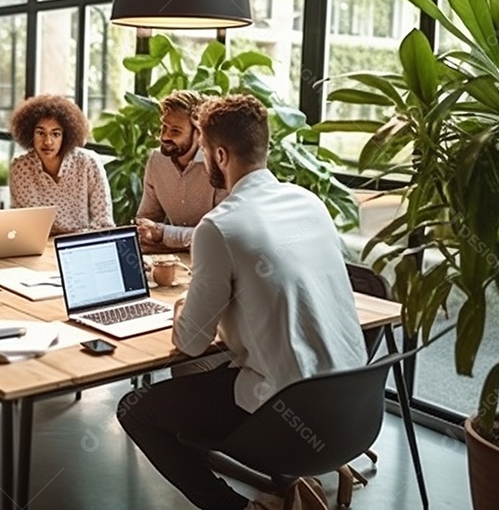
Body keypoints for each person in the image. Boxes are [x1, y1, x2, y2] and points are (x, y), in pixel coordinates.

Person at [117, 94, 367, 510]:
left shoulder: (219, 226)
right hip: (355, 405)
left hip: (290, 413)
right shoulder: (310, 203)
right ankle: (282, 492)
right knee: (216, 380)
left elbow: (191, 343)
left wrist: (184, 306)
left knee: (136, 408)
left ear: (217, 153)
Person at [8, 94, 114, 235]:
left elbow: (103, 224)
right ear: (30, 133)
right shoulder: (20, 168)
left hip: (82, 245)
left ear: (66, 136)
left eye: (55, 134)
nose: (48, 142)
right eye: (40, 133)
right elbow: (22, 226)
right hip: (40, 248)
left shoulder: (88, 163)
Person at [135, 89, 225, 250]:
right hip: (175, 262)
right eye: (164, 127)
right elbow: (146, 220)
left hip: (215, 262)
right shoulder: (157, 161)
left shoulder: (219, 166)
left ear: (199, 133)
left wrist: (164, 234)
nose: (164, 136)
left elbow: (219, 236)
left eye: (175, 131)